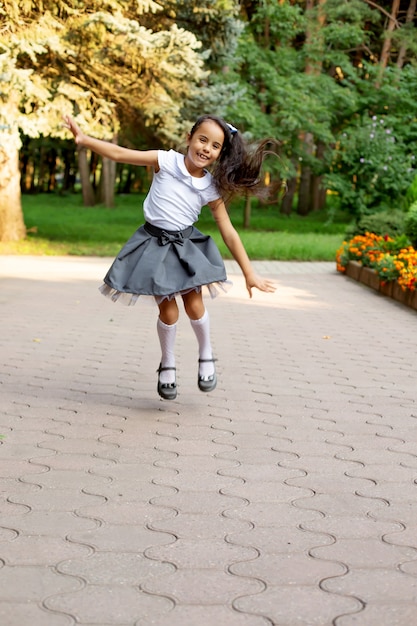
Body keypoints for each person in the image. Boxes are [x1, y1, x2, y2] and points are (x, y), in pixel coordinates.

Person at [63, 113, 276, 400]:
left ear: (219, 153)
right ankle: (168, 363)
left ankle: (206, 354)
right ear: (189, 138)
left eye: (214, 146)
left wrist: (250, 273)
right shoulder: (166, 161)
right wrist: (84, 139)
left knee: (194, 304)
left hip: (185, 248)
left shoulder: (210, 187)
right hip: (153, 245)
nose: (206, 149)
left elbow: (228, 230)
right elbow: (119, 153)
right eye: (202, 140)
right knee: (168, 311)